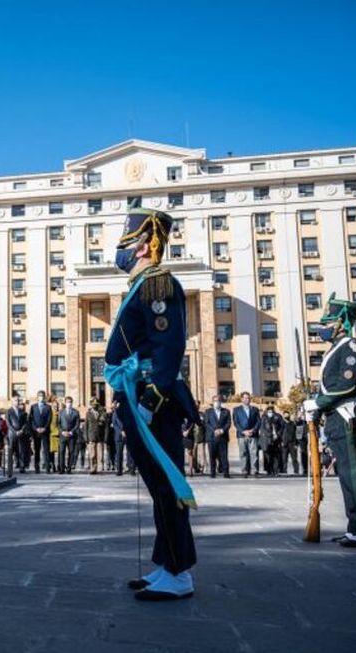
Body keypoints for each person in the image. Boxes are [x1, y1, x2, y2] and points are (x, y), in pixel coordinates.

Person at [105, 205, 198, 601]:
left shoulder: (158, 284)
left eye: (126, 243)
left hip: (151, 399)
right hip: (135, 392)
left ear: (143, 246)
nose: (121, 251)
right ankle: (166, 563)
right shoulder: (141, 286)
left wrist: (152, 397)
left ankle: (179, 573)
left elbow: (168, 346)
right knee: (157, 486)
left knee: (165, 483)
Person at [303, 293, 356, 548]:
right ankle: (355, 528)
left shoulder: (353, 347)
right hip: (336, 417)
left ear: (342, 322)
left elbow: (346, 385)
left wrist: (319, 403)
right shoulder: (337, 348)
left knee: (353, 475)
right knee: (346, 475)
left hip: (348, 417)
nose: (323, 328)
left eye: (328, 323)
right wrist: (317, 406)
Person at [233, 392, 261, 477]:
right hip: (242, 435)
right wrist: (243, 431)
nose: (247, 399)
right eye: (245, 398)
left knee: (254, 453)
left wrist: (253, 430)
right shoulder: (236, 410)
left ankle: (254, 470)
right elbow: (236, 422)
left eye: (248, 398)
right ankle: (244, 470)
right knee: (243, 453)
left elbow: (258, 421)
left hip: (253, 434)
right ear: (242, 399)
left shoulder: (255, 409)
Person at [203, 395, 231, 478]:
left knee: (224, 455)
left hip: (223, 437)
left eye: (218, 401)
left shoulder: (226, 411)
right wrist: (214, 430)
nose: (217, 402)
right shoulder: (208, 411)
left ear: (221, 402)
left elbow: (228, 423)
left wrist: (222, 430)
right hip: (212, 437)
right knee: (212, 455)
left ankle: (226, 472)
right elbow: (206, 423)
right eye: (215, 401)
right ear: (213, 402)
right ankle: (213, 472)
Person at [29, 391, 52, 473]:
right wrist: (36, 428)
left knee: (46, 450)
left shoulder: (48, 407)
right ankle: (37, 467)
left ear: (44, 397)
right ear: (37, 397)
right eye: (39, 396)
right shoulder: (33, 407)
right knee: (37, 450)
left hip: (45, 431)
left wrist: (45, 428)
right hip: (36, 432)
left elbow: (49, 419)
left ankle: (47, 467)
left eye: (42, 396)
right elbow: (31, 419)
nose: (41, 397)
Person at [259, 405, 284, 476]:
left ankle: (276, 470)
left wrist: (278, 434)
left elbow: (282, 426)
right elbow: (262, 428)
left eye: (271, 411)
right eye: (269, 411)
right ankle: (269, 470)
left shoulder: (278, 416)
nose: (270, 413)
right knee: (267, 455)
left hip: (276, 439)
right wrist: (269, 435)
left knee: (276, 455)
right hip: (267, 439)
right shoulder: (264, 417)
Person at [58, 396, 81, 473]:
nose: (69, 404)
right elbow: (58, 424)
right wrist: (62, 431)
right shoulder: (61, 412)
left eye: (70, 402)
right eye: (68, 402)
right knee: (62, 451)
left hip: (71, 435)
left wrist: (71, 432)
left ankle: (69, 468)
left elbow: (77, 424)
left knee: (71, 452)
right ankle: (61, 468)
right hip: (63, 435)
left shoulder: (76, 412)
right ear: (65, 403)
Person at [6, 398, 29, 473]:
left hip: (21, 433)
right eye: (15, 400)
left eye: (18, 400)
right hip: (12, 433)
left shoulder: (22, 411)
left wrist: (22, 430)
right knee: (11, 450)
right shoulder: (9, 411)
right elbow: (8, 423)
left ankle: (22, 467)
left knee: (21, 450)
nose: (17, 402)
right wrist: (15, 431)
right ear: (12, 402)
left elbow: (25, 422)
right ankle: (10, 467)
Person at [84, 398, 107, 474]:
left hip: (100, 436)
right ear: (91, 405)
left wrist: (105, 437)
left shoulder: (102, 413)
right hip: (91, 436)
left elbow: (105, 427)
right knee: (92, 454)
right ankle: (93, 468)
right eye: (93, 405)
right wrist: (86, 437)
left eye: (96, 405)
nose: (95, 406)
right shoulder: (88, 413)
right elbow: (86, 426)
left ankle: (99, 468)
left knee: (100, 454)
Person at [280, 411, 300, 475]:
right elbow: (280, 433)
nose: (287, 417)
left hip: (292, 443)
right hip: (284, 443)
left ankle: (296, 471)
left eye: (288, 415)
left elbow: (296, 434)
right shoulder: (281, 424)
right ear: (283, 416)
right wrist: (281, 442)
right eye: (285, 415)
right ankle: (284, 470)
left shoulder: (293, 424)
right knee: (284, 458)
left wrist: (296, 443)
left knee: (294, 458)